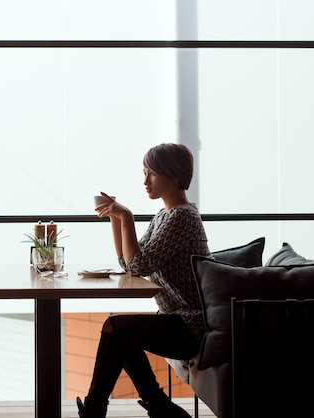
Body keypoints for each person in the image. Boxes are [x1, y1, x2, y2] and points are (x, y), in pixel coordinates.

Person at [76, 143, 210, 418]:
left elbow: (137, 265)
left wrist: (127, 217)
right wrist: (116, 219)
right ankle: (157, 406)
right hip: (176, 319)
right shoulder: (165, 216)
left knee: (117, 329)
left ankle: (100, 410)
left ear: (173, 176)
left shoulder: (182, 217)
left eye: (152, 173)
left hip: (191, 324)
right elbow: (129, 264)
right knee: (119, 332)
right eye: (144, 173)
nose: (145, 181)